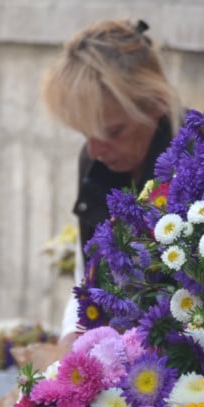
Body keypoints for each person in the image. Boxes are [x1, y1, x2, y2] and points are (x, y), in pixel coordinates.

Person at [41, 19, 182, 334]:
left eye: (112, 132)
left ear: (156, 104)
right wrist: (72, 337)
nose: (95, 149)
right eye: (84, 133)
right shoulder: (94, 160)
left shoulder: (196, 161)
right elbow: (86, 276)